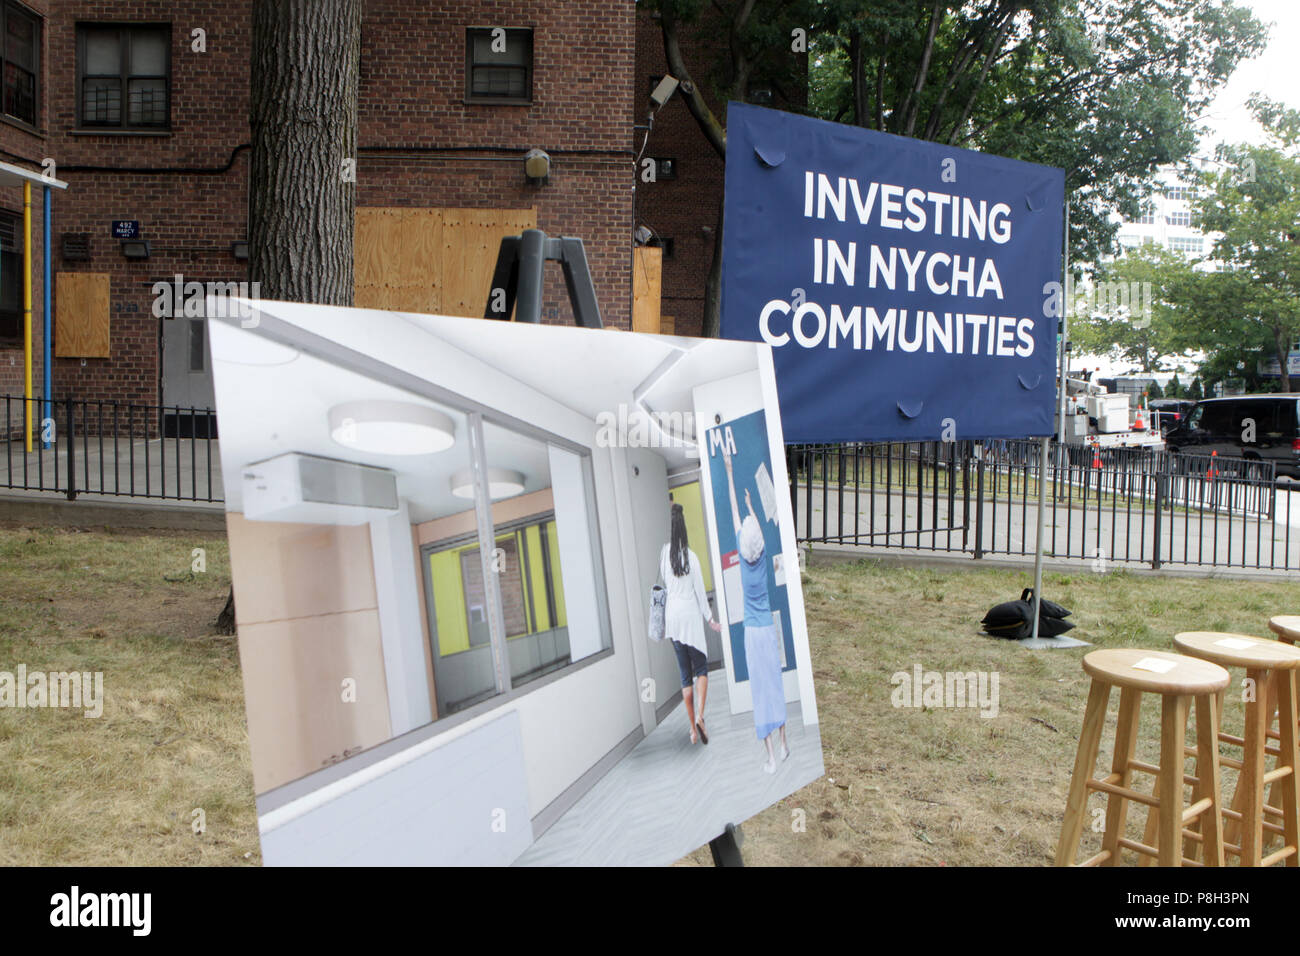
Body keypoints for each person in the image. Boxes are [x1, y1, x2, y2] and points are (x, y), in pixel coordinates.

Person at [722, 445, 788, 773]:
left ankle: (771, 757)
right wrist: (752, 507)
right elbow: (756, 525)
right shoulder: (762, 558)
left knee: (760, 691)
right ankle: (786, 744)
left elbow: (736, 512)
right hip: (768, 631)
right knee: (774, 683)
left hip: (751, 632)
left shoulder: (746, 557)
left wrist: (730, 472)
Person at [661, 502, 721, 745]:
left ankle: (692, 730)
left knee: (685, 675)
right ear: (684, 529)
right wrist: (710, 618)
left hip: (672, 619)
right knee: (701, 668)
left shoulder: (664, 553)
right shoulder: (692, 558)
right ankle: (700, 715)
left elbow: (666, 583)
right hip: (690, 618)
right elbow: (698, 591)